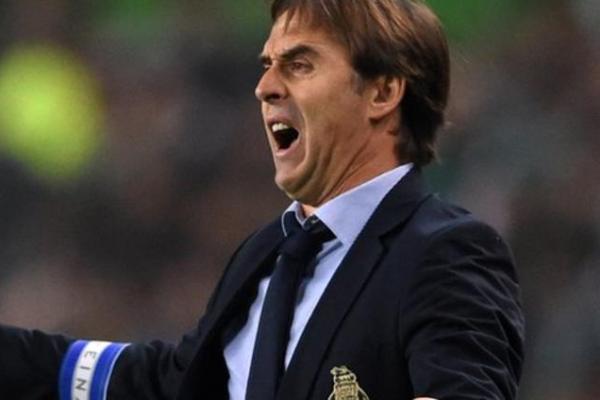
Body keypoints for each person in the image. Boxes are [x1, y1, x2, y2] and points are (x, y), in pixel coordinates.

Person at [0, 0, 525, 399]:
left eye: (299, 65)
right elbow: (174, 381)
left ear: (382, 93)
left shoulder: (446, 250)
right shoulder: (266, 254)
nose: (265, 87)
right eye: (268, 64)